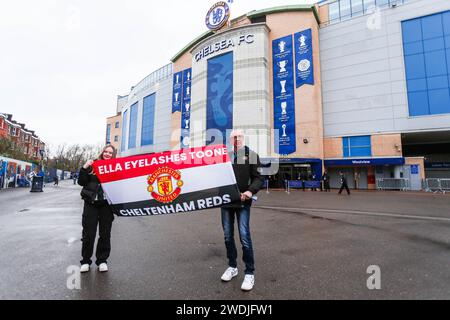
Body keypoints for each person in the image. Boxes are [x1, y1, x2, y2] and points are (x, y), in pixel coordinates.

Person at [220, 130, 264, 291]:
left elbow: (259, 178)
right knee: (227, 236)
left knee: (244, 236)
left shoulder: (251, 154)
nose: (236, 139)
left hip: (243, 202)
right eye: (233, 137)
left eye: (239, 136)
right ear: (230, 139)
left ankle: (249, 273)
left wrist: (250, 191)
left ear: (243, 138)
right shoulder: (225, 156)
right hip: (226, 202)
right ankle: (232, 266)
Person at [78, 144, 117, 273]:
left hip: (106, 206)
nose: (107, 154)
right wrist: (84, 168)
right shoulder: (93, 165)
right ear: (102, 152)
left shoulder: (116, 168)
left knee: (105, 234)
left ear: (113, 155)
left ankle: (102, 261)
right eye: (105, 151)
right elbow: (81, 182)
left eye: (110, 153)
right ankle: (85, 261)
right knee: (89, 234)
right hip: (91, 205)